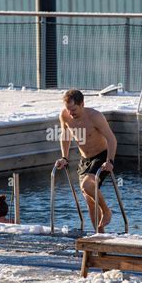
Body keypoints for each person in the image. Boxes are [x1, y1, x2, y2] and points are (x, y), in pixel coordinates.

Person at [55, 89, 117, 233]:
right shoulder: (64, 115)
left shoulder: (95, 117)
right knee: (89, 200)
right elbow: (65, 135)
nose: (71, 113)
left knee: (87, 185)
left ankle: (107, 211)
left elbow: (111, 139)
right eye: (68, 109)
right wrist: (65, 157)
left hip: (102, 156)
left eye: (74, 109)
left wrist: (110, 161)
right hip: (85, 159)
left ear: (82, 104)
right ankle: (99, 236)